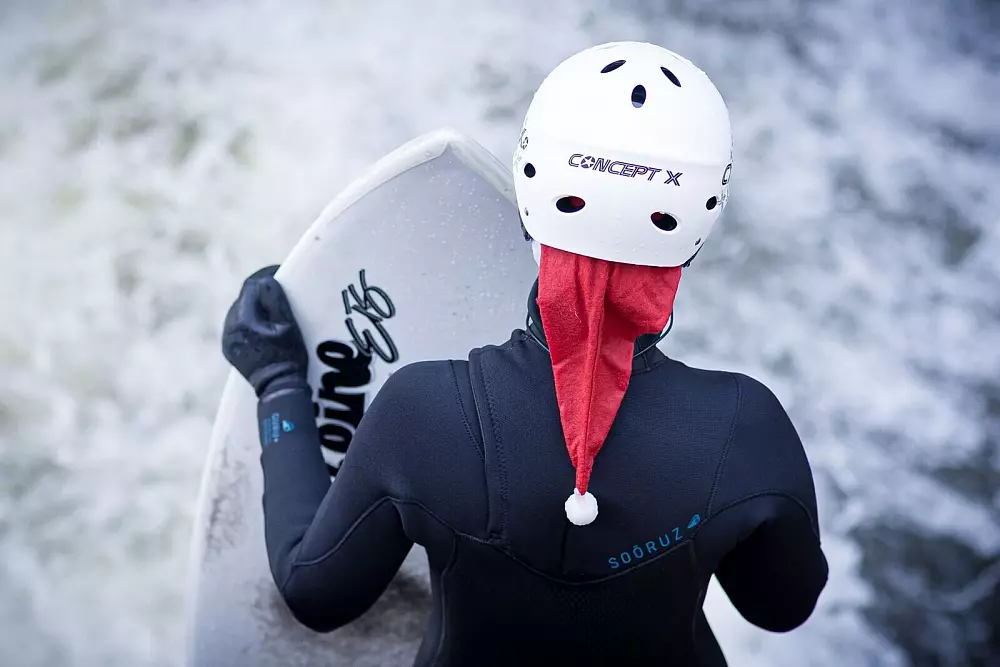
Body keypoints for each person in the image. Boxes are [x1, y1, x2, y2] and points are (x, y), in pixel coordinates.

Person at [221, 41, 828, 666]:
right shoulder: (743, 428)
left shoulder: (425, 414)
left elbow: (314, 591)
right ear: (696, 233)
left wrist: (277, 382)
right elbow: (780, 609)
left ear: (529, 195)